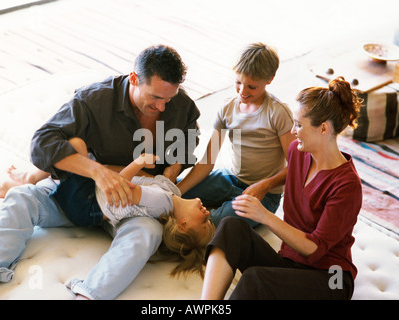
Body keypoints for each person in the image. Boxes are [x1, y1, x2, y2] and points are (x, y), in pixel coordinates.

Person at [0, 44, 201, 300]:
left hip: (135, 206)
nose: (162, 107)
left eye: (168, 99)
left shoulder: (181, 106)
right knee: (22, 199)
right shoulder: (94, 100)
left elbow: (189, 141)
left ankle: (88, 295)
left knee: (149, 232)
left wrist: (171, 173)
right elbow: (42, 142)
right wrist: (98, 172)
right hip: (84, 194)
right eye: (155, 98)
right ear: (135, 79)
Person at [200, 77, 363, 300]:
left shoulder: (347, 185)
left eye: (299, 124)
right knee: (230, 228)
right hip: (291, 263)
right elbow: (293, 176)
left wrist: (265, 216)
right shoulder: (298, 151)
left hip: (331, 279)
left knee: (255, 280)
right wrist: (265, 184)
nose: (293, 131)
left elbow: (315, 248)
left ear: (323, 128)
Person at [52, 137, 215, 278]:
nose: (207, 213)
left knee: (76, 145)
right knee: (83, 156)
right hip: (91, 207)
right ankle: (48, 176)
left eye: (204, 221)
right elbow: (149, 181)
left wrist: (140, 161)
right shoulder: (172, 194)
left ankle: (36, 176)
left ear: (184, 224)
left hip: (86, 203)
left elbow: (120, 185)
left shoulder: (162, 202)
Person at [177, 42, 295, 228]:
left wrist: (264, 186)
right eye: (238, 83)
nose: (242, 91)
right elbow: (208, 161)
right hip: (229, 178)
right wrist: (175, 192)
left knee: (215, 223)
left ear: (270, 79)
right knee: (176, 196)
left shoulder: (278, 113)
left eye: (252, 87)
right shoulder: (227, 108)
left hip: (265, 193)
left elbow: (298, 165)